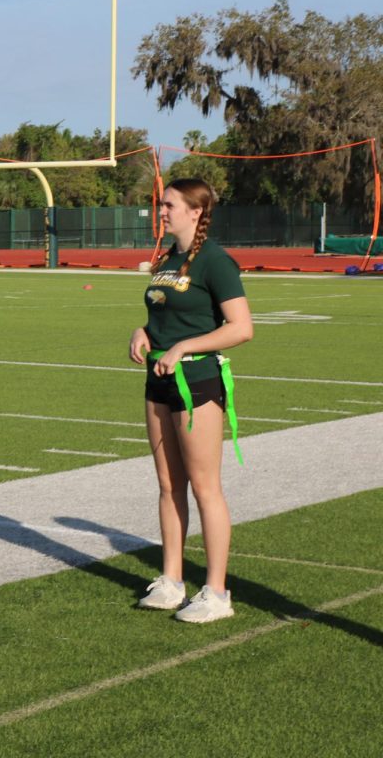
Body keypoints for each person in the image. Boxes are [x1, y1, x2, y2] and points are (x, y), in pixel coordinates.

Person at [129, 178, 253, 623]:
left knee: (205, 488)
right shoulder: (168, 261)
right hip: (157, 381)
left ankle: (217, 593)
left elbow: (241, 327)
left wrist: (186, 347)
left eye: (168, 205)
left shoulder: (215, 261)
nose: (161, 212)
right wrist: (143, 332)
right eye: (161, 205)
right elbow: (162, 316)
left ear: (195, 211)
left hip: (197, 382)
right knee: (167, 485)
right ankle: (171, 581)